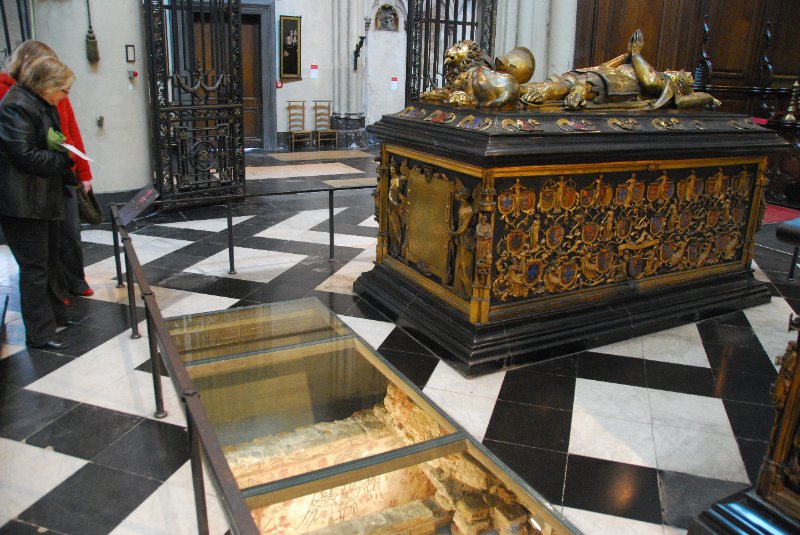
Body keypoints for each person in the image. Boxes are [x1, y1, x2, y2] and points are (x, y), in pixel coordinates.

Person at [0, 41, 95, 300]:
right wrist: (62, 160)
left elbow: (70, 131)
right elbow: (21, 151)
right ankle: (53, 300)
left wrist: (82, 171)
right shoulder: (14, 99)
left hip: (56, 176)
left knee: (67, 236)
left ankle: (71, 283)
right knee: (37, 258)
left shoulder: (51, 94)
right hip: (28, 188)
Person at [0, 55, 76, 349]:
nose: (65, 97)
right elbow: (25, 156)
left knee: (49, 260)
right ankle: (39, 334)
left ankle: (55, 317)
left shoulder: (38, 103)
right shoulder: (16, 105)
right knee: (35, 268)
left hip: (42, 197)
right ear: (47, 85)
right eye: (64, 90)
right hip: (23, 203)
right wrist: (63, 158)